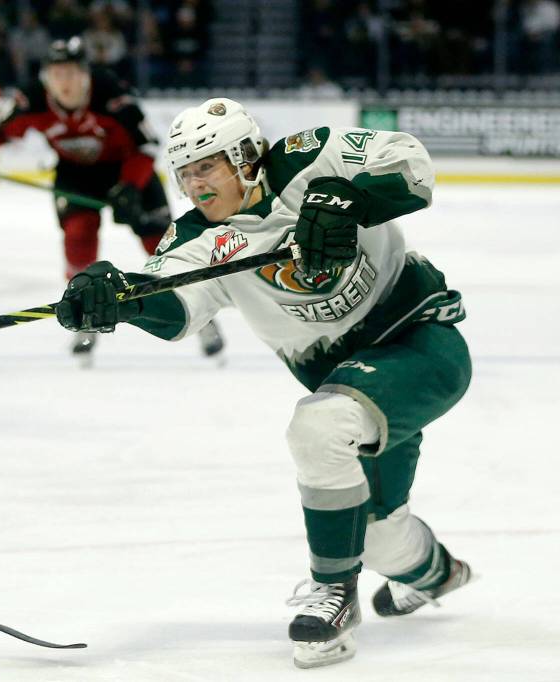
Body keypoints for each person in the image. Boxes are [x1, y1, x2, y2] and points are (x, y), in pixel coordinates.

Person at [55, 98, 473, 668]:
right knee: (377, 536)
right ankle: (440, 573)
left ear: (246, 156)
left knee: (317, 427)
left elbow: (412, 165)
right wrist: (118, 298)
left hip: (417, 340)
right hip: (351, 384)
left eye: (207, 166)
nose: (195, 184)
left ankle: (334, 596)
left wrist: (350, 201)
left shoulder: (310, 159)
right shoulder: (197, 239)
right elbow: (175, 307)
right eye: (186, 172)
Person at [0, 37, 224, 365]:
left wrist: (129, 187)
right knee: (78, 237)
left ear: (86, 75)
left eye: (71, 74)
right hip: (76, 175)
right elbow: (0, 129)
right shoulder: (33, 99)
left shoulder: (111, 94)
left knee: (160, 246)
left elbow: (145, 146)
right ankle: (86, 312)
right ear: (46, 79)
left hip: (127, 171)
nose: (64, 83)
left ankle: (201, 313)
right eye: (57, 75)